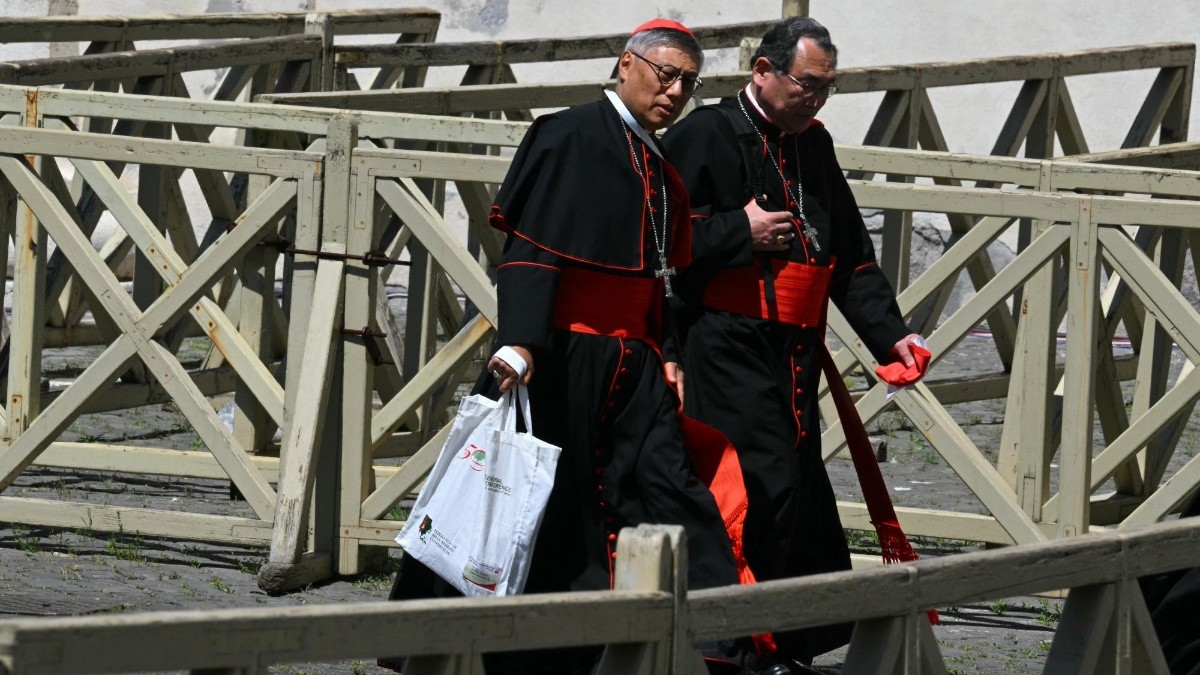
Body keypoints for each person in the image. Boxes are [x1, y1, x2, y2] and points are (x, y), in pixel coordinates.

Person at [385, 18, 754, 675]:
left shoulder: (653, 160)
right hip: (560, 358)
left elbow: (658, 275)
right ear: (626, 64)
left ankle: (714, 636)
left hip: (632, 366)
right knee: (540, 506)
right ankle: (503, 649)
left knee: (668, 488)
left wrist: (666, 350)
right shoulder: (567, 135)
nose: (674, 91)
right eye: (665, 74)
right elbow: (531, 254)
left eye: (688, 84)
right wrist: (522, 342)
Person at [662, 16, 927, 673]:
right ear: (763, 70)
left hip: (795, 352)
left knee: (796, 493)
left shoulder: (814, 144)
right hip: (722, 344)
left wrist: (891, 335)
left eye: (827, 89)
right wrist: (735, 232)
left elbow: (849, 256)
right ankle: (729, 645)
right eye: (808, 85)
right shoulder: (706, 134)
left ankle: (775, 638)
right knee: (752, 487)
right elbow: (657, 238)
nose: (817, 100)